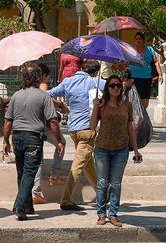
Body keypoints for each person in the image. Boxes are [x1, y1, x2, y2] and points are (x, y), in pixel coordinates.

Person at [3, 61, 64, 220]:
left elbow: (8, 121)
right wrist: (58, 140)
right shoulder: (44, 96)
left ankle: (27, 207)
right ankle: (20, 205)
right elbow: (53, 121)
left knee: (22, 172)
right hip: (33, 138)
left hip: (17, 137)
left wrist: (5, 140)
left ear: (23, 78)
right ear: (38, 78)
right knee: (29, 172)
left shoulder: (16, 95)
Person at [48, 59, 105, 211]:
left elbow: (48, 95)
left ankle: (102, 195)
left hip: (73, 129)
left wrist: (60, 105)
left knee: (87, 163)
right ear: (95, 71)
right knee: (78, 166)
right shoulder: (95, 81)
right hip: (88, 128)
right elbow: (116, 89)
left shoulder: (68, 81)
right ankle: (66, 200)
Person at [90, 75, 142, 227]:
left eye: (118, 86)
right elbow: (92, 126)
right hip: (102, 149)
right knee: (102, 183)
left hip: (121, 149)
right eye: (112, 85)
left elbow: (130, 128)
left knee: (116, 183)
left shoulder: (127, 105)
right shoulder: (101, 104)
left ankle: (113, 214)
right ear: (107, 88)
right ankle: (101, 214)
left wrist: (136, 150)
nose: (116, 88)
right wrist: (95, 107)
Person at [31, 63, 68, 204]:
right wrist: (60, 104)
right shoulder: (42, 85)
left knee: (38, 159)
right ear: (44, 76)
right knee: (62, 143)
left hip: (32, 126)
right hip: (44, 126)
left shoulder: (27, 86)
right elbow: (45, 97)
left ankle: (36, 191)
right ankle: (54, 174)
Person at [129, 32, 163, 109]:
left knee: (145, 101)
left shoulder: (150, 50)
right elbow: (127, 62)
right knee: (134, 99)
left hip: (146, 78)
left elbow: (156, 62)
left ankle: (143, 116)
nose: (138, 41)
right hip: (134, 77)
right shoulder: (131, 51)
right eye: (136, 39)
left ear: (143, 40)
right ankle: (135, 118)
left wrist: (160, 74)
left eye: (140, 39)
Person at [57, 52, 82, 125]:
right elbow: (61, 67)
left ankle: (73, 116)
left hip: (76, 77)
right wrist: (59, 78)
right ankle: (65, 116)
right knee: (66, 97)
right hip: (66, 78)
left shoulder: (78, 54)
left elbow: (81, 66)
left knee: (74, 97)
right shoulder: (63, 54)